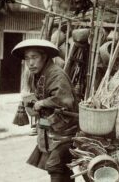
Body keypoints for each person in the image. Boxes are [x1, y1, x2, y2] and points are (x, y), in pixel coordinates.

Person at [11, 39, 78, 182]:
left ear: (45, 57)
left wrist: (42, 103)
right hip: (52, 131)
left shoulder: (55, 74)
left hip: (66, 131)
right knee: (62, 169)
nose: (30, 63)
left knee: (55, 166)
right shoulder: (39, 75)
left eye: (34, 57)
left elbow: (65, 100)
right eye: (27, 58)